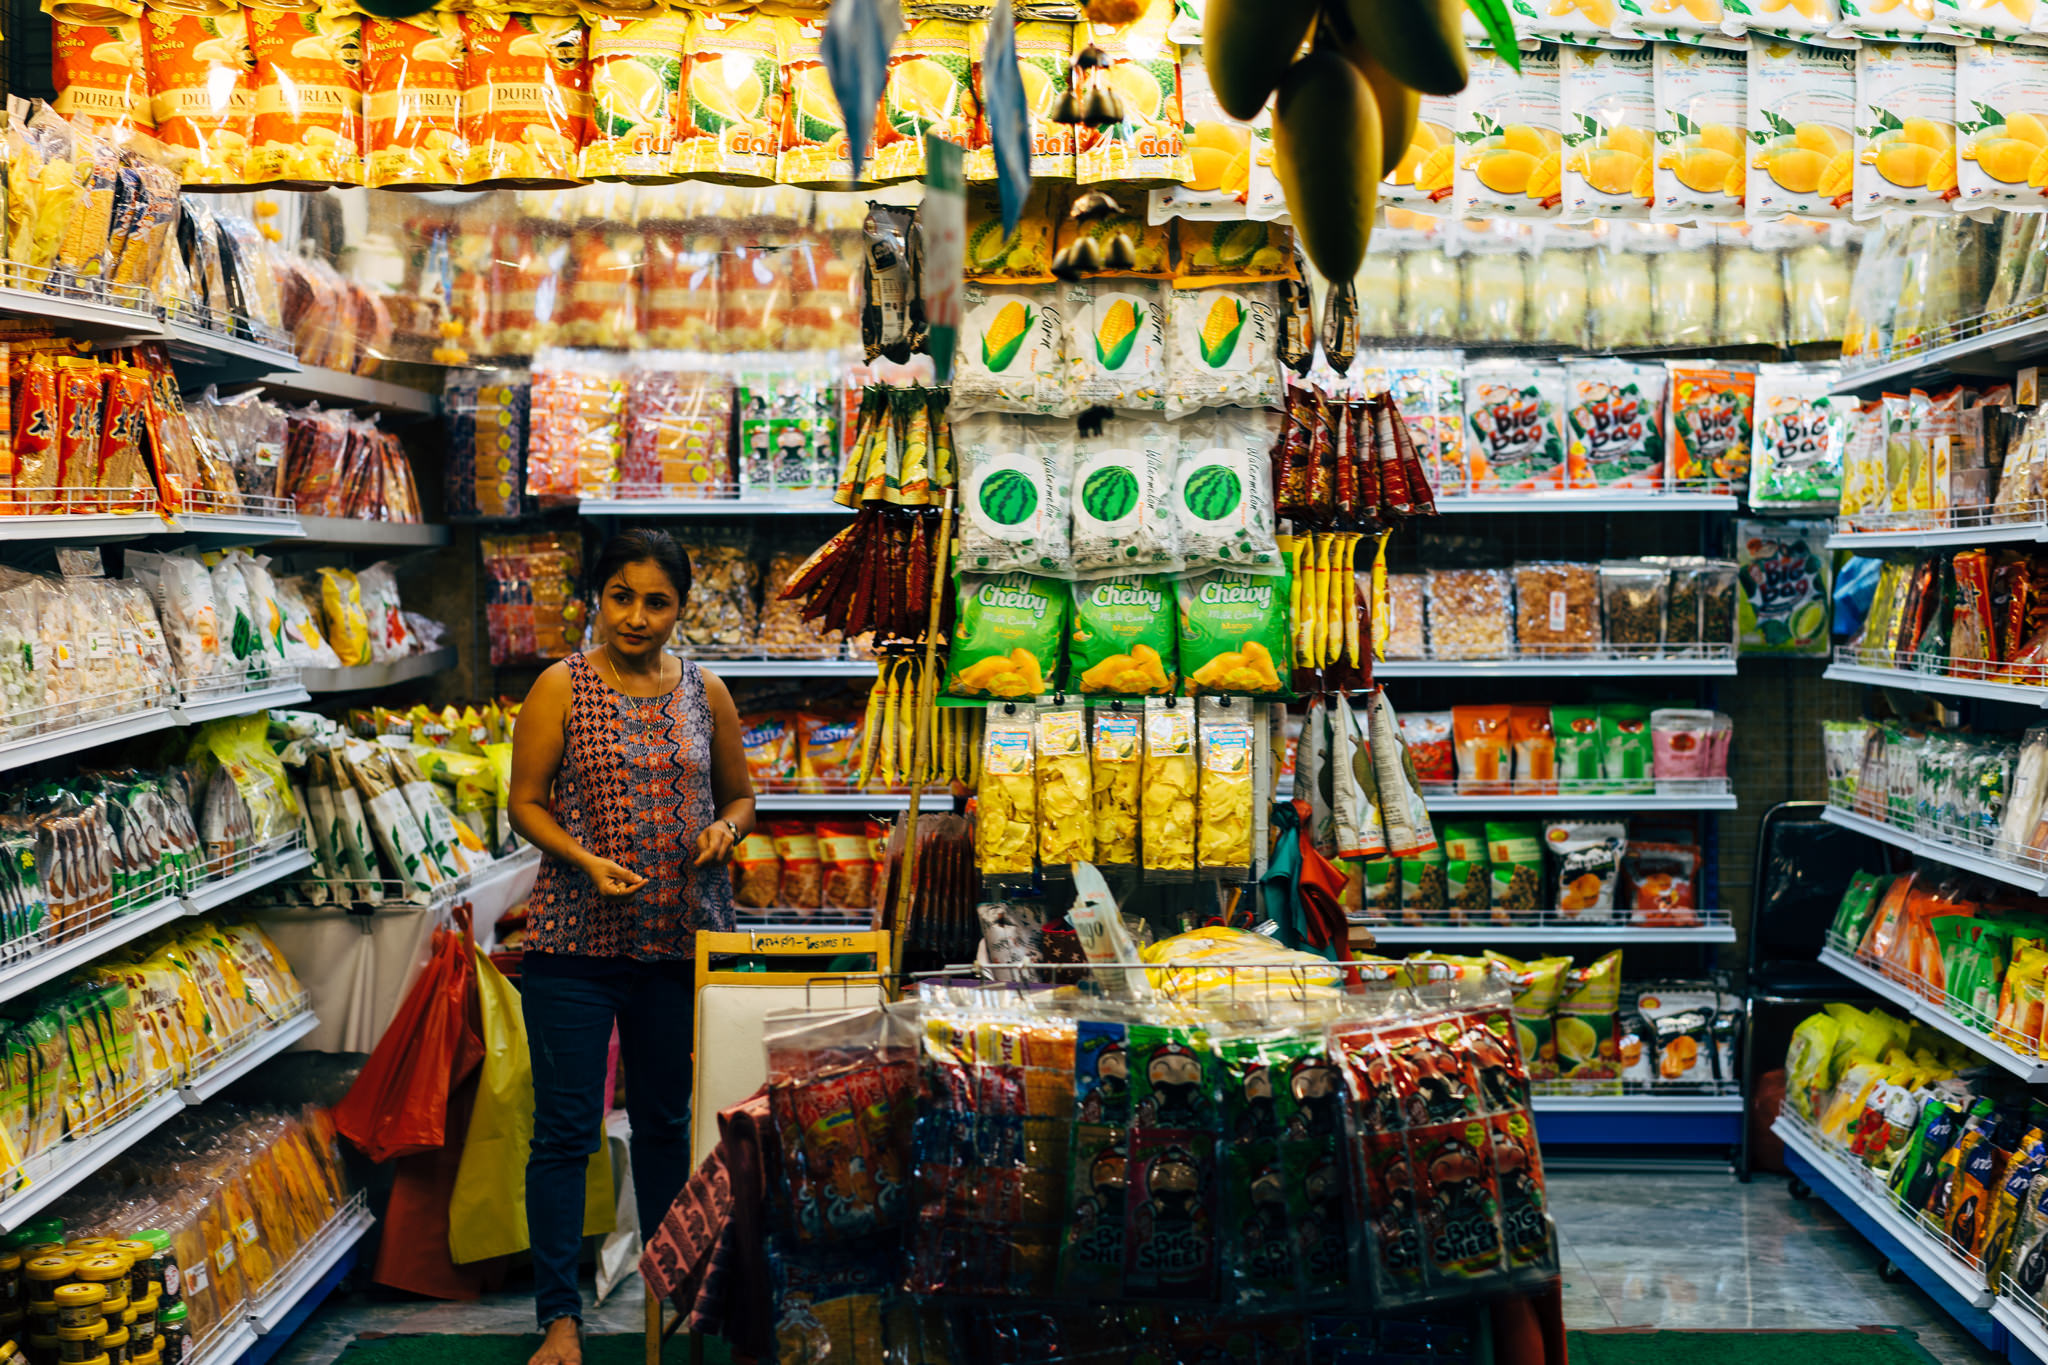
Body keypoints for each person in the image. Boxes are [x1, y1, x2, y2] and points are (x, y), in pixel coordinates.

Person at [508, 529, 756, 1365]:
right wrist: (581, 856)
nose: (637, 616)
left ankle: (667, 1295)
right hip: (576, 943)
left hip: (679, 944)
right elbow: (527, 802)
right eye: (622, 596)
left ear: (680, 607)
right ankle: (559, 1318)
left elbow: (744, 796)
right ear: (597, 598)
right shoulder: (560, 685)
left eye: (656, 601)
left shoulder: (706, 690)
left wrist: (724, 828)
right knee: (566, 1131)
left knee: (663, 1124)